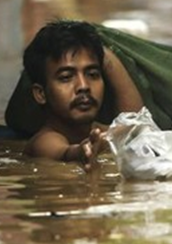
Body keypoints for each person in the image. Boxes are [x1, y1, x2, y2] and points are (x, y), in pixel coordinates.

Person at [21, 20, 144, 170]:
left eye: (92, 74)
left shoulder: (101, 131)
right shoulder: (43, 142)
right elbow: (64, 153)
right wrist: (81, 152)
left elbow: (136, 124)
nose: (84, 86)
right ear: (41, 94)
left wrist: (100, 51)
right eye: (66, 77)